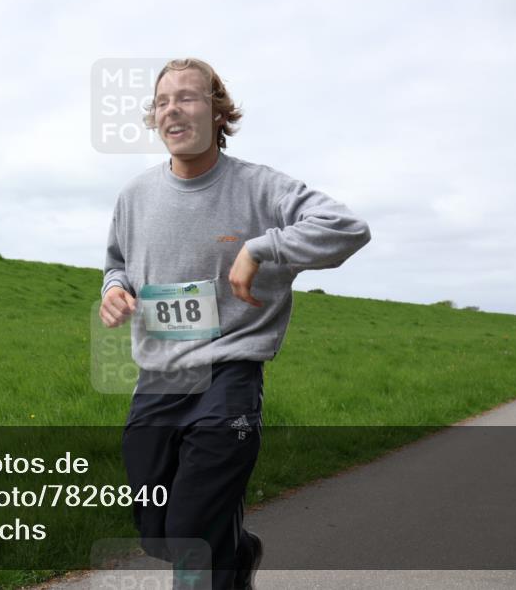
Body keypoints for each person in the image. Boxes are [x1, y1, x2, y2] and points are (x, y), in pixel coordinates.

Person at [99, 58, 372, 589]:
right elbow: (118, 263)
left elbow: (347, 228)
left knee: (192, 531)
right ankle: (238, 552)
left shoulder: (260, 188)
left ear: (218, 111)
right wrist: (113, 289)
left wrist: (263, 246)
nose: (172, 108)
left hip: (228, 375)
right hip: (158, 379)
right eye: (161, 101)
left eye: (188, 97)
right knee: (158, 533)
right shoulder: (134, 196)